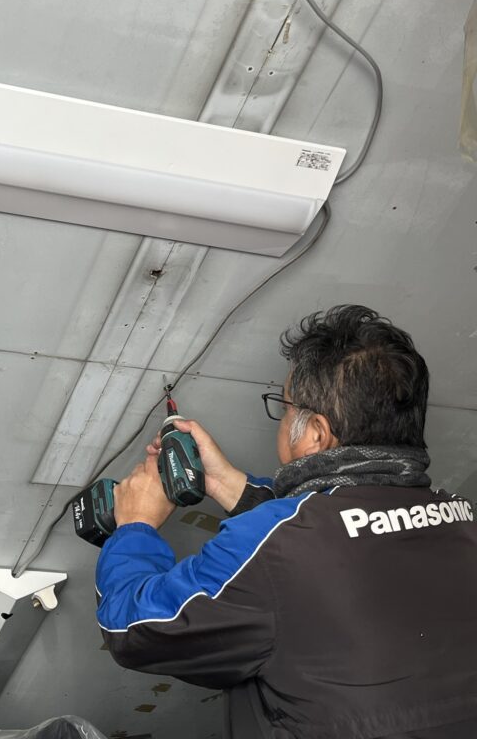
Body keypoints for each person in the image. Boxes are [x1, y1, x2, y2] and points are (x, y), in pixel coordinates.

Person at [95, 305, 477, 739]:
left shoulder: (277, 546)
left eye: (285, 406)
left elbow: (134, 629)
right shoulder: (462, 518)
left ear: (316, 433)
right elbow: (329, 531)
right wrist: (230, 485)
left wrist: (135, 526)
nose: (282, 418)